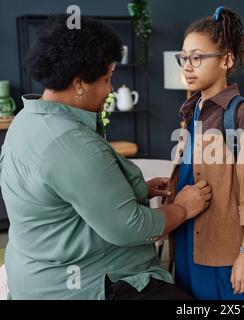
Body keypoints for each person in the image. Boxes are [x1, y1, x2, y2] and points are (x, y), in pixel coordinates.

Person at [0, 15, 212, 300]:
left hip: (33, 271)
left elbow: (71, 195)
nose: (110, 89)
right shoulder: (67, 142)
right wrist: (183, 209)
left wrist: (136, 189)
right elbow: (130, 228)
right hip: (78, 285)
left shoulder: (28, 118)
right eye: (106, 79)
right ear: (78, 83)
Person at [166, 7, 244, 300]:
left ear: (226, 60)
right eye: (184, 58)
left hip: (228, 253)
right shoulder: (194, 111)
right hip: (192, 243)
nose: (187, 66)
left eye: (197, 58)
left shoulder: (241, 116)